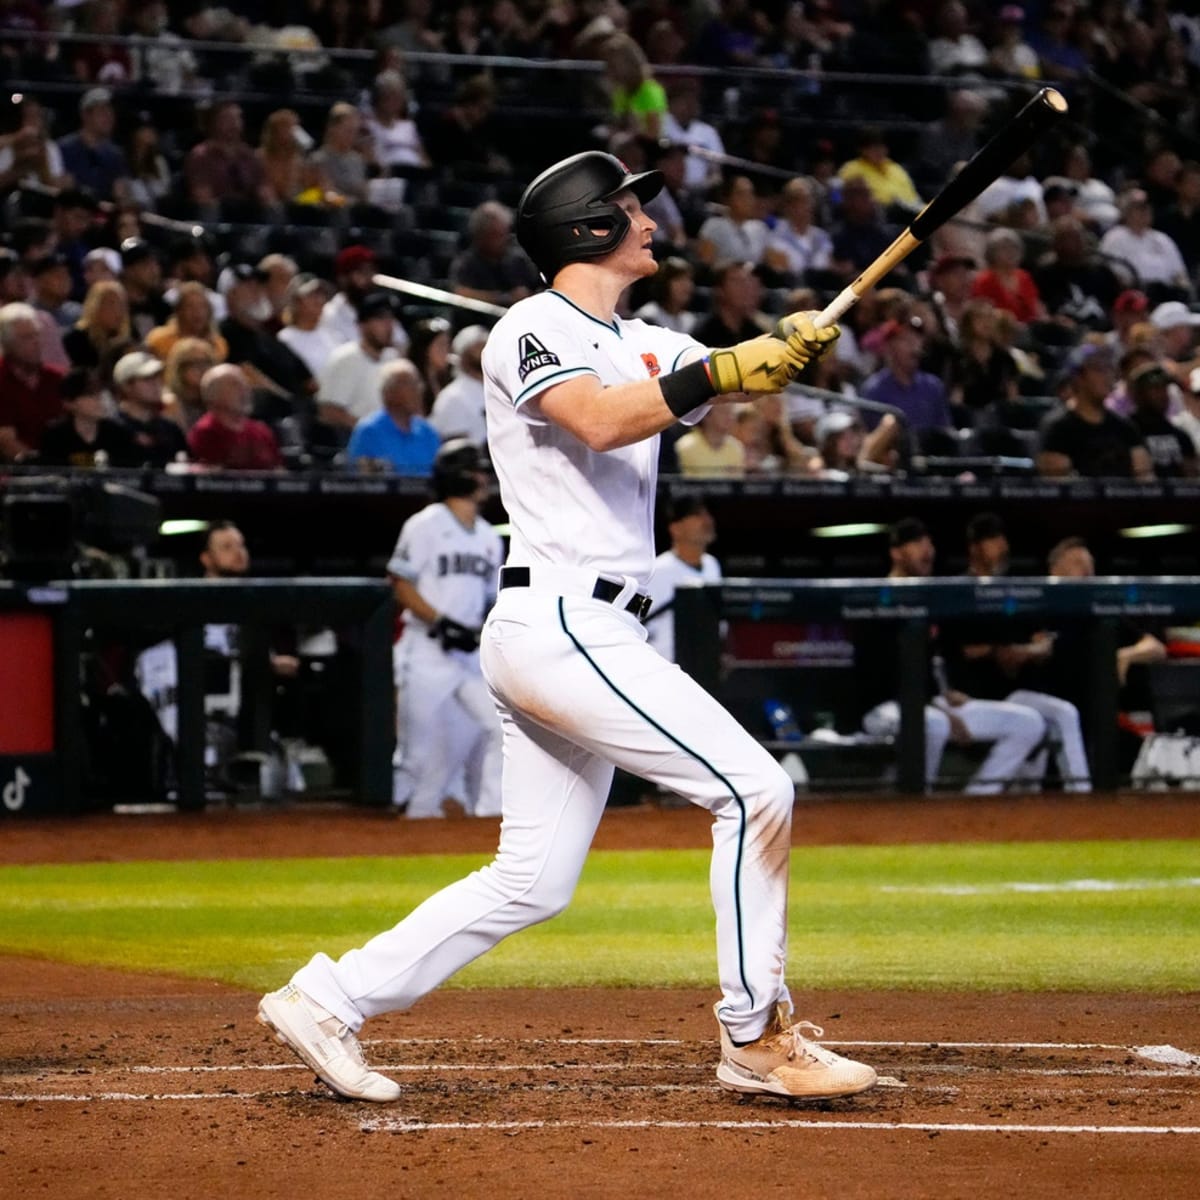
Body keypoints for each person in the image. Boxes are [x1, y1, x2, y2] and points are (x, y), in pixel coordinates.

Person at [256, 149, 877, 1105]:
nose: (651, 222)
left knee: (532, 879)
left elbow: (715, 377)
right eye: (633, 208)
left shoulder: (647, 339)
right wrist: (723, 366)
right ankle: (755, 1036)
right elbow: (595, 418)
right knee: (755, 791)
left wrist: (784, 347)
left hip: (577, 631)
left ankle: (326, 996)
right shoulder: (529, 327)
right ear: (590, 226)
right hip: (562, 619)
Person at [855, 518, 1045, 794]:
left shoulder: (930, 599)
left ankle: (976, 799)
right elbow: (882, 677)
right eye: (918, 543)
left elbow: (941, 659)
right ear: (896, 553)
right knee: (934, 724)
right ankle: (915, 801)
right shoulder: (876, 600)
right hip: (883, 707)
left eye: (929, 542)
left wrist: (946, 693)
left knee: (1028, 722)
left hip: (932, 703)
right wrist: (937, 705)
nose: (928, 549)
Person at [389, 439, 503, 818]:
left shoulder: (488, 536)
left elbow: (490, 598)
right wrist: (439, 620)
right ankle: (408, 811)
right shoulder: (424, 524)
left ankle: (490, 813)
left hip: (467, 654)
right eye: (476, 470)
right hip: (426, 648)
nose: (483, 477)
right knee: (417, 748)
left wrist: (480, 630)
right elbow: (400, 582)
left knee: (497, 727)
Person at [940, 513, 1092, 792]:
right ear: (974, 548)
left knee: (1065, 713)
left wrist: (1026, 652)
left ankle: (1081, 794)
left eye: (1002, 539)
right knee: (1030, 729)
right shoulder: (956, 591)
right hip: (972, 694)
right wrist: (997, 652)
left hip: (1014, 692)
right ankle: (980, 794)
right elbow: (957, 651)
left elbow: (1043, 640)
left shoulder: (1016, 588)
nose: (1002, 547)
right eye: (992, 541)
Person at [1037, 343, 1153, 479]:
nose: (1107, 376)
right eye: (1099, 369)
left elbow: (1144, 476)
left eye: (1109, 369)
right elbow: (1057, 484)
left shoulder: (1125, 427)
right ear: (1078, 377)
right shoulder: (1058, 428)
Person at [644, 495, 722, 662]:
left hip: (704, 666)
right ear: (676, 528)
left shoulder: (712, 565)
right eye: (697, 515)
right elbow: (640, 624)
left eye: (707, 514)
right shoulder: (657, 570)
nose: (707, 520)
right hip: (666, 665)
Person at [316, 292, 403, 435]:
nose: (389, 326)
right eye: (380, 319)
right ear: (362, 325)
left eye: (391, 318)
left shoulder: (393, 359)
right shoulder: (344, 358)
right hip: (354, 442)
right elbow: (328, 412)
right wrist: (370, 431)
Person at [346, 359, 441, 474]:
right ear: (388, 392)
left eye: (418, 384)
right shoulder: (369, 431)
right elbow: (362, 481)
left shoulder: (428, 432)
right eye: (410, 384)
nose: (418, 390)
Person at [0, 301, 63, 461]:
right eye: (27, 337)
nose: (37, 342)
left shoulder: (56, 379)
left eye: (37, 335)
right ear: (7, 343)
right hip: (16, 473)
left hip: (62, 469)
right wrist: (39, 466)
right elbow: (5, 440)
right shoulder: (2, 379)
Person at [187, 364, 283, 471]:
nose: (245, 390)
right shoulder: (205, 434)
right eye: (235, 385)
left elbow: (279, 471)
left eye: (245, 384)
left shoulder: (262, 431)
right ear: (213, 394)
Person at [448, 201, 541, 307]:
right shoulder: (465, 264)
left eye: (505, 233)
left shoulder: (518, 260)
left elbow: (537, 288)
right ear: (481, 236)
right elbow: (460, 295)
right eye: (497, 235)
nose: (504, 239)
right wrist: (505, 298)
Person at [111, 350, 189, 467]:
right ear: (126, 386)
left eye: (158, 377)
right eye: (147, 379)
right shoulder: (111, 430)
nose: (157, 384)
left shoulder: (170, 429)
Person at [429, 325, 489, 444]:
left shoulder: (500, 389)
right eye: (478, 348)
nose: (484, 353)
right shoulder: (452, 397)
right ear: (464, 356)